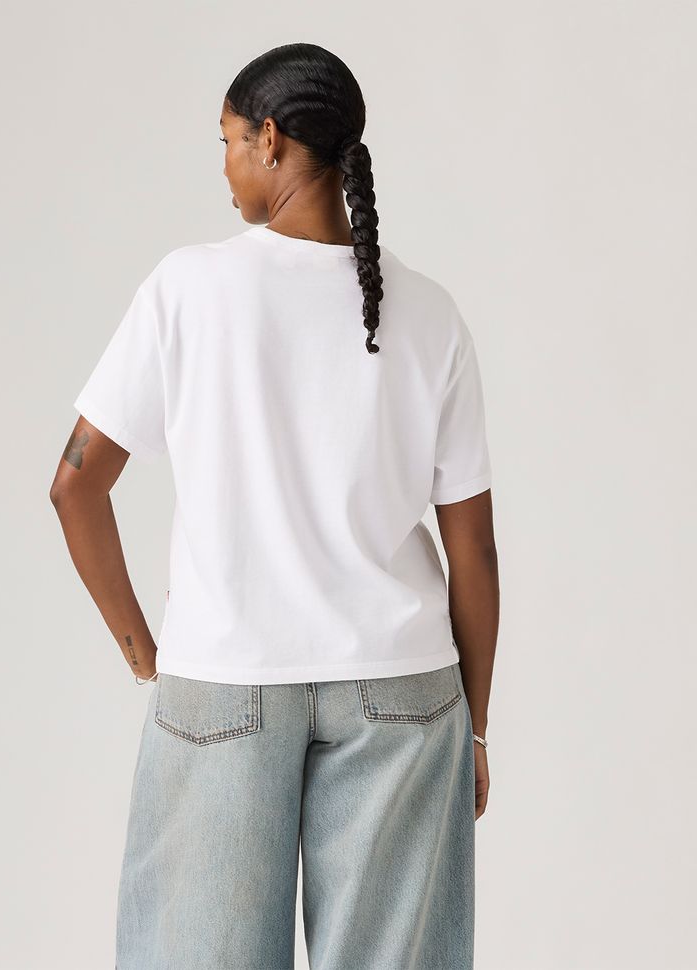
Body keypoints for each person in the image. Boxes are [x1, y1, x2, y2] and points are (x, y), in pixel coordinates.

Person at [50, 41, 499, 970]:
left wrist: (146, 656)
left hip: (223, 679)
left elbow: (74, 484)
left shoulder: (186, 289)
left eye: (225, 142)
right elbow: (475, 556)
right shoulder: (430, 313)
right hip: (404, 692)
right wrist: (477, 727)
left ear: (270, 139)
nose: (222, 167)